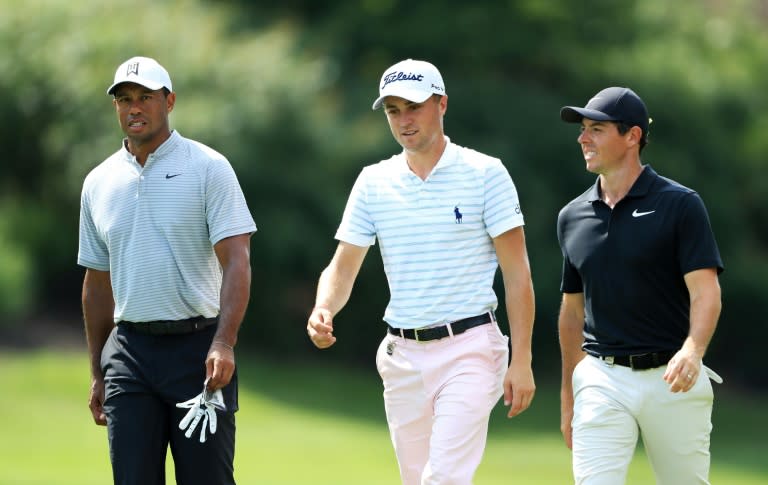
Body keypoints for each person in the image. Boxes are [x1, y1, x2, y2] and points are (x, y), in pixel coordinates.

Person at [306, 59, 536, 485]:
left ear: (442, 104)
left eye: (413, 106)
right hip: (403, 359)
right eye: (393, 110)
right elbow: (344, 264)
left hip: (471, 349)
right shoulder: (374, 181)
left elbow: (517, 273)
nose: (404, 120)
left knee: (443, 478)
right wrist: (324, 307)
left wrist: (521, 359)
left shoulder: (486, 174)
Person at [78, 56, 256, 485]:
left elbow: (237, 261)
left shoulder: (209, 168)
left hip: (197, 351)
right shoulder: (98, 182)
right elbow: (97, 285)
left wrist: (225, 342)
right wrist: (97, 372)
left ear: (169, 101)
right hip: (129, 355)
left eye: (145, 98)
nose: (133, 108)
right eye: (124, 99)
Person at [557, 86, 724, 484]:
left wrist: (693, 349)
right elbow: (572, 311)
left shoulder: (680, 205)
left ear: (632, 136)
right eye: (582, 129)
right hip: (601, 378)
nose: (583, 138)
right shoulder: (572, 216)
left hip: (673, 378)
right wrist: (569, 397)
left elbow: (706, 292)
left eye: (596, 129)